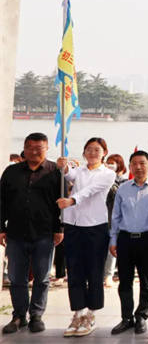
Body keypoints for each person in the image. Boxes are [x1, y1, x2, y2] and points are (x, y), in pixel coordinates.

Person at [0, 133, 63, 334]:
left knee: (42, 277)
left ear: (47, 148)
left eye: (39, 148)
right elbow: (2, 201)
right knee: (16, 277)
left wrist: (59, 229)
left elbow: (61, 204)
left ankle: (36, 315)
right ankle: (19, 315)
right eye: (30, 147)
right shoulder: (12, 171)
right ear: (24, 148)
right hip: (16, 233)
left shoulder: (55, 172)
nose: (34, 152)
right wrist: (1, 228)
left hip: (44, 233)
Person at [56, 137, 116, 337]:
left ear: (104, 152)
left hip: (95, 227)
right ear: (83, 152)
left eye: (97, 150)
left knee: (94, 271)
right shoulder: (80, 171)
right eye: (88, 149)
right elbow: (69, 173)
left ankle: (91, 313)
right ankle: (78, 313)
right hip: (74, 226)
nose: (92, 153)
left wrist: (72, 200)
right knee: (74, 271)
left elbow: (90, 191)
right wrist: (64, 166)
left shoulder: (108, 174)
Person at [109, 150, 148, 335]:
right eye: (134, 163)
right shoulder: (123, 188)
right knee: (124, 280)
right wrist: (113, 239)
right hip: (125, 239)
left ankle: (141, 315)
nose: (138, 167)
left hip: (147, 239)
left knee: (146, 280)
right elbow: (116, 216)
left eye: (142, 163)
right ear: (130, 166)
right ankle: (126, 317)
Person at [103, 153, 127, 288]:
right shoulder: (101, 177)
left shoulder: (123, 182)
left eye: (113, 163)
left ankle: (109, 275)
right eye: (108, 163)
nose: (110, 165)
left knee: (112, 247)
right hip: (101, 217)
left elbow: (117, 193)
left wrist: (110, 178)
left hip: (115, 218)